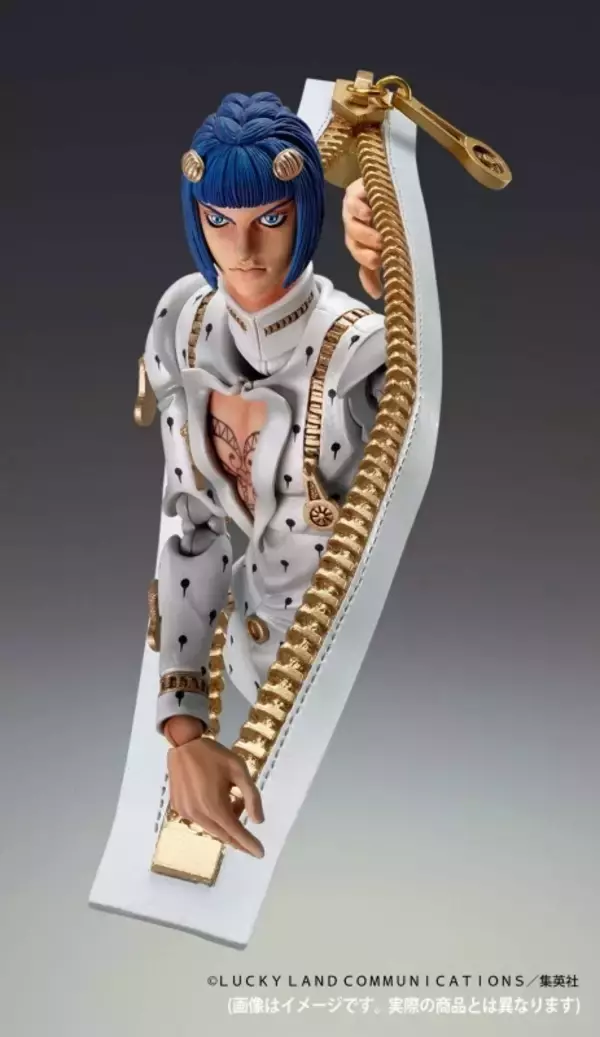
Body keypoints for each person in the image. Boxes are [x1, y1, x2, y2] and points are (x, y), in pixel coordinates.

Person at [144, 90, 385, 861]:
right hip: (236, 670)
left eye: (271, 218)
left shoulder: (358, 353)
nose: (243, 248)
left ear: (304, 211)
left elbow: (423, 398)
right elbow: (192, 530)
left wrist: (395, 251)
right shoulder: (184, 326)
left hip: (358, 688)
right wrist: (183, 728)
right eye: (219, 219)